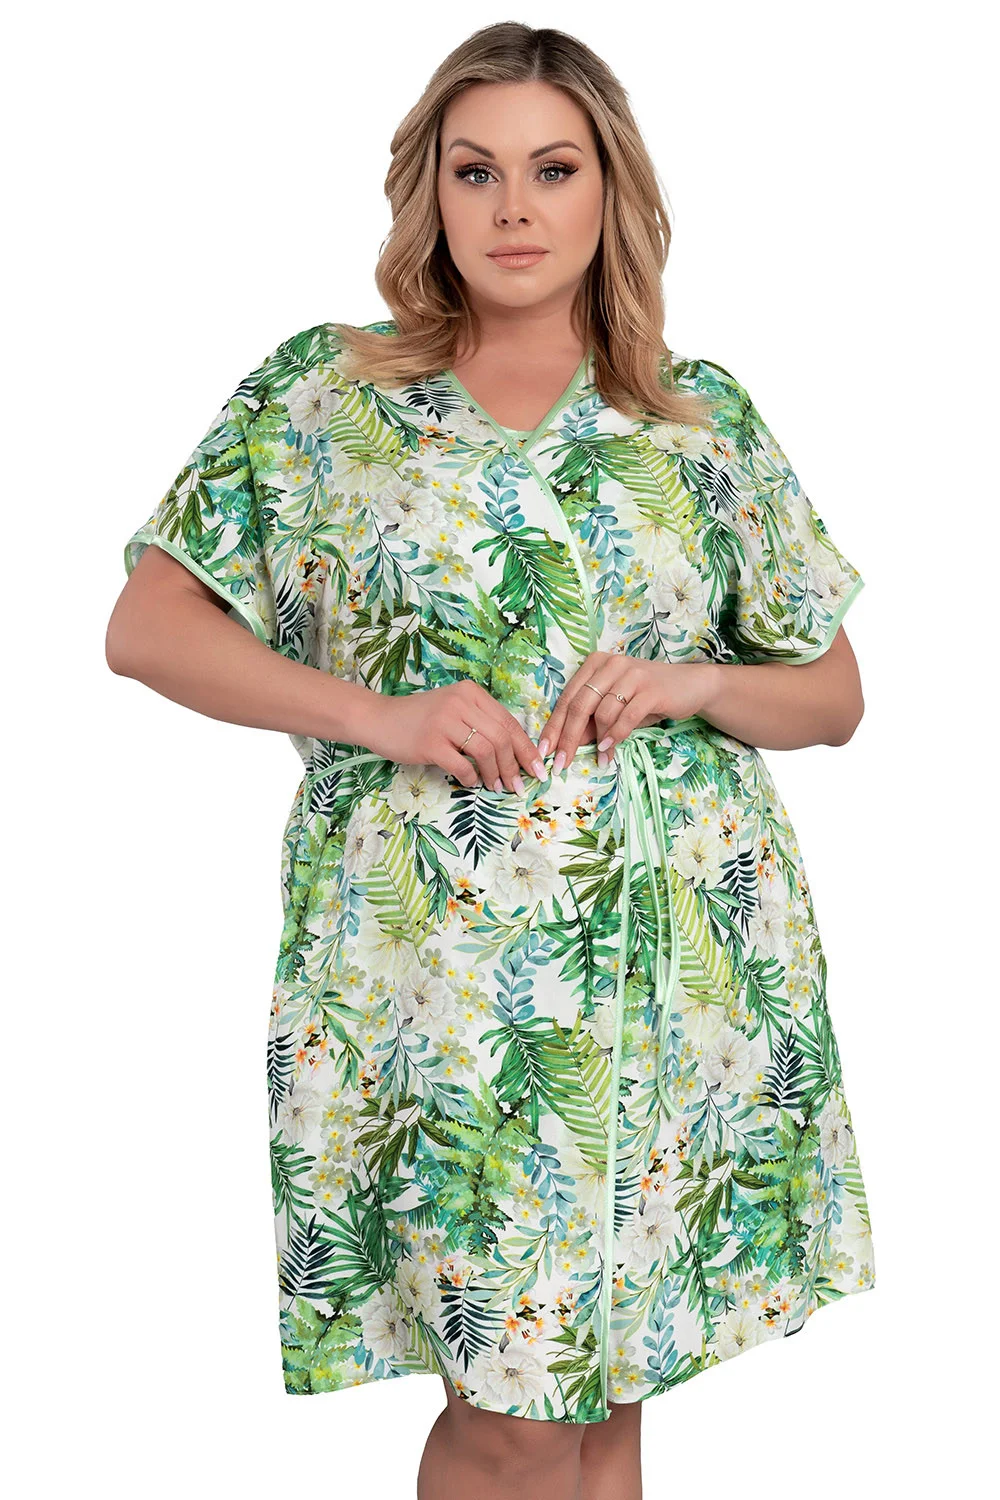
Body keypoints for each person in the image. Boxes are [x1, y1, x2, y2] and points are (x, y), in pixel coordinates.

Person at [106, 21, 876, 1500]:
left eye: (553, 169)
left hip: (682, 969)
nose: (514, 207)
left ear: (611, 190)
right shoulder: (327, 396)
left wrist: (697, 680)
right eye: (476, 171)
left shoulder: (695, 418)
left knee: (608, 1406)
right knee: (512, 1411)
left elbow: (834, 695)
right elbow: (146, 628)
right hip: (443, 982)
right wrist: (380, 715)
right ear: (432, 193)